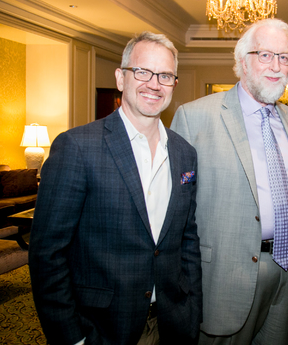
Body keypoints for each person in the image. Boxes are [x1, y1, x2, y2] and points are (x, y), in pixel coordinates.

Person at [29, 32, 202, 345]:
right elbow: (47, 255)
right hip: (102, 327)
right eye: (142, 72)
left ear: (174, 84)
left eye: (164, 75)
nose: (154, 84)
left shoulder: (184, 153)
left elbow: (186, 239)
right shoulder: (77, 147)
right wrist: (72, 338)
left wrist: (191, 310)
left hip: (171, 321)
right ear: (121, 78)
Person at [171, 18, 288, 345]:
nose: (277, 66)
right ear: (241, 62)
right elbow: (174, 212)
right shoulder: (195, 117)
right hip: (225, 275)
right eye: (265, 55)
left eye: (284, 57)